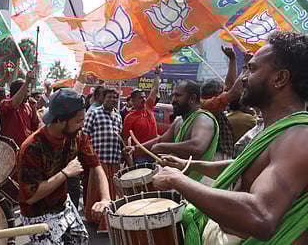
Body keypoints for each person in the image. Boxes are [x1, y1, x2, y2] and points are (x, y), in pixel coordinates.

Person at [153, 31, 308, 245]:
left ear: (280, 78)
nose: (243, 79)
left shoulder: (298, 137)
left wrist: (177, 180)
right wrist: (189, 165)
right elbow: (242, 166)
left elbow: (260, 215)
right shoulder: (278, 130)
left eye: (252, 69)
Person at [17, 88, 111, 245]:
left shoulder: (77, 136)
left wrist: (105, 199)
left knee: (81, 240)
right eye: (78, 121)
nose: (83, 125)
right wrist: (65, 173)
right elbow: (31, 197)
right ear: (60, 120)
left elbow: (96, 166)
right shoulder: (31, 148)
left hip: (62, 205)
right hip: (37, 214)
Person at [128, 80, 219, 184]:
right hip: (182, 182)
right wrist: (135, 148)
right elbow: (160, 140)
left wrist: (163, 147)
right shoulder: (179, 121)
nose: (173, 100)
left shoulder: (202, 118)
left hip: (201, 184)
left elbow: (197, 146)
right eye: (173, 96)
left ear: (192, 98)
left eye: (178, 96)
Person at [83, 88, 123, 231]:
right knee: (97, 191)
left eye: (115, 98)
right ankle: (95, 220)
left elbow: (120, 138)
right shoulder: (94, 113)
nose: (112, 100)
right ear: (103, 99)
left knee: (111, 193)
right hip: (98, 160)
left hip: (114, 159)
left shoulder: (118, 116)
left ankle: (105, 221)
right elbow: (84, 136)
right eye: (109, 97)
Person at [123, 64, 162, 165]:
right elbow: (125, 138)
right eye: (140, 98)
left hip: (153, 152)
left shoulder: (148, 106)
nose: (144, 99)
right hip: (139, 155)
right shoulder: (129, 118)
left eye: (144, 97)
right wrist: (129, 160)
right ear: (132, 100)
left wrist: (157, 74)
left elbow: (155, 89)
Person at [0, 72, 40, 147]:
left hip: (25, 150)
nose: (29, 94)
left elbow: (34, 127)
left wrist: (34, 109)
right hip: (10, 149)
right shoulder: (4, 104)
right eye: (26, 91)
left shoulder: (27, 107)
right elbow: (13, 105)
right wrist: (26, 83)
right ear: (18, 92)